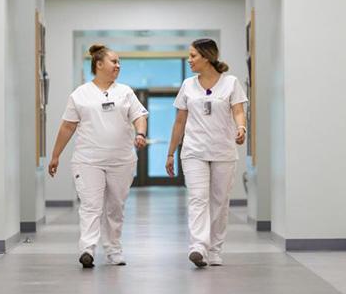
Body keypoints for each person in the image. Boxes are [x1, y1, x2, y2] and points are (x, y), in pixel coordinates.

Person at [48, 44, 148, 268]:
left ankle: (113, 249)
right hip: (88, 160)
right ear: (99, 64)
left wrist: (140, 133)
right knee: (91, 206)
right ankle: (87, 249)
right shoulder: (80, 94)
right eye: (114, 61)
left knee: (115, 207)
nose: (118, 65)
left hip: (121, 160)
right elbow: (67, 127)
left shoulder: (125, 92)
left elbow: (140, 115)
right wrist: (55, 156)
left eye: (119, 62)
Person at [166, 38, 247, 268]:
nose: (189, 60)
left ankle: (214, 250)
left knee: (220, 202)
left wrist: (241, 128)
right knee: (198, 198)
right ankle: (198, 246)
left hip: (223, 151)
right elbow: (179, 122)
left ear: (207, 56)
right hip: (194, 151)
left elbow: (239, 111)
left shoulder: (230, 83)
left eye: (193, 56)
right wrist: (171, 153)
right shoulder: (187, 86)